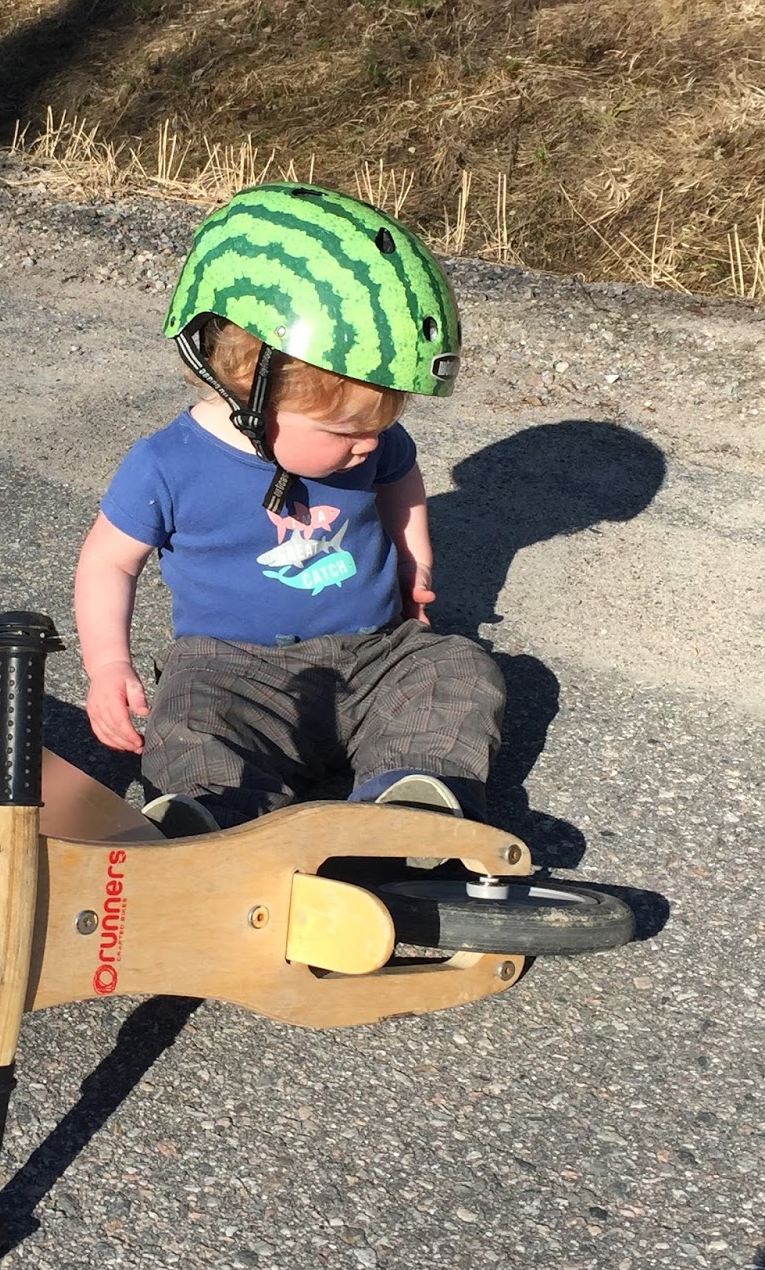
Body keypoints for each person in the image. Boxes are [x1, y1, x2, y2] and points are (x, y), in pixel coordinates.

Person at [73, 183, 506, 838]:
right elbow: (108, 561)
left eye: (381, 426)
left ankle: (410, 809)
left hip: (375, 651)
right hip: (232, 671)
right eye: (345, 431)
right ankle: (217, 825)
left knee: (458, 670)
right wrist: (108, 665)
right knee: (188, 722)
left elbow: (402, 480)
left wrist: (415, 562)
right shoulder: (168, 464)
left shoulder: (371, 443)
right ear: (251, 393)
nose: (369, 445)